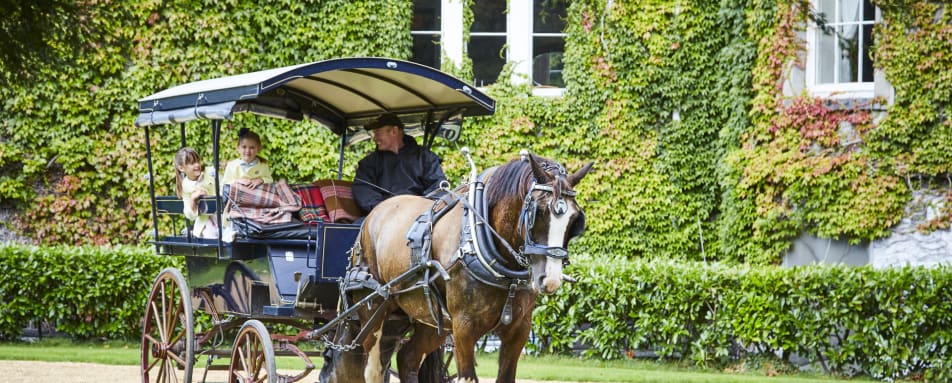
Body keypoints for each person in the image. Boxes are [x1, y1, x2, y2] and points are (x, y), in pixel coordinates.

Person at [353, 113, 448, 214]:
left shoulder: (424, 157)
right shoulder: (369, 163)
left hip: (419, 216)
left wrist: (421, 207)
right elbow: (363, 189)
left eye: (378, 132)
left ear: (394, 131)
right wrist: (385, 208)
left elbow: (438, 186)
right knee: (356, 227)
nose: (375, 138)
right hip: (382, 215)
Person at [173, 147, 228, 239]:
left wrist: (210, 197)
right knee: (209, 234)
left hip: (222, 216)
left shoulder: (210, 172)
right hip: (205, 222)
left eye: (198, 161)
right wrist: (193, 199)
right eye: (192, 163)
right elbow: (189, 214)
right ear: (181, 168)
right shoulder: (185, 185)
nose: (197, 165)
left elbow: (225, 187)